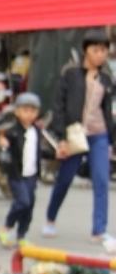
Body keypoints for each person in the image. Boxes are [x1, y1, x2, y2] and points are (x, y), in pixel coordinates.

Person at [43, 29, 114, 244]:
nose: (100, 55)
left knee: (101, 180)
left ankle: (99, 230)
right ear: (85, 51)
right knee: (65, 179)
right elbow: (59, 105)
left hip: (99, 134)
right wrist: (61, 137)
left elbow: (108, 107)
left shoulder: (107, 77)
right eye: (96, 50)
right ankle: (50, 219)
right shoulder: (70, 73)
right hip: (75, 134)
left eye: (104, 50)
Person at [0, 93, 43, 249]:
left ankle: (22, 235)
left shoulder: (36, 131)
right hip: (16, 174)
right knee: (22, 202)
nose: (29, 114)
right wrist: (3, 143)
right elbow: (3, 145)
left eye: (33, 111)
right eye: (25, 110)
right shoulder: (12, 131)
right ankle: (6, 227)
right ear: (17, 111)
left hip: (31, 174)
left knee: (29, 206)